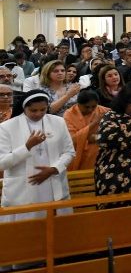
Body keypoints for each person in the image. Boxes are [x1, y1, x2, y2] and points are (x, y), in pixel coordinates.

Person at [0, 91, 76, 220]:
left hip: (53, 182)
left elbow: (69, 152)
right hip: (22, 188)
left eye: (43, 109)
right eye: (33, 110)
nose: (38, 114)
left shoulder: (58, 122)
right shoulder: (6, 127)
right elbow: (2, 163)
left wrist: (54, 169)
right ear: (24, 108)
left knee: (57, 229)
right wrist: (27, 146)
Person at [64, 90, 109, 171]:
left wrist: (90, 137)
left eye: (94, 106)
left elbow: (110, 137)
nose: (90, 110)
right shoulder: (69, 115)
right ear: (78, 104)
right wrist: (95, 123)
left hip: (101, 157)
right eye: (86, 107)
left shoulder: (105, 111)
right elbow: (73, 139)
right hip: (77, 155)